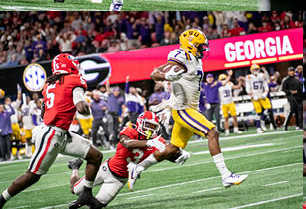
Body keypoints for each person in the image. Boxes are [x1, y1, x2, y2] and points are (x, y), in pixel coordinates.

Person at [128, 29, 248, 190]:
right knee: (212, 132)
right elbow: (155, 74)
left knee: (172, 149)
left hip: (190, 108)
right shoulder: (181, 56)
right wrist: (166, 77)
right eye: (200, 46)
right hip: (183, 110)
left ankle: (137, 167)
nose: (203, 49)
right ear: (190, 45)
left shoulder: (196, 59)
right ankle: (226, 175)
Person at [0, 53, 103, 209]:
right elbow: (81, 106)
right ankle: (1, 199)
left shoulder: (50, 84)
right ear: (69, 66)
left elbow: (43, 111)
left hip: (61, 133)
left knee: (95, 156)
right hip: (52, 135)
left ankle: (86, 193)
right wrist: (85, 109)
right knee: (32, 176)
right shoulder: (74, 81)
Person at [68, 111, 166, 209]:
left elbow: (170, 151)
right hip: (106, 170)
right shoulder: (130, 131)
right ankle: (75, 167)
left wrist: (178, 151)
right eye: (148, 125)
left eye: (153, 127)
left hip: (119, 180)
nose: (149, 129)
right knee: (75, 190)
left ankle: (88, 198)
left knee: (96, 206)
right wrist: (148, 143)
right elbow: (127, 143)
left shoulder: (157, 141)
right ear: (140, 122)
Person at [245, 64, 271, 134]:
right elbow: (247, 89)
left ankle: (262, 121)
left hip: (261, 95)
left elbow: (266, 86)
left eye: (256, 69)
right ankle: (258, 128)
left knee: (268, 109)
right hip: (255, 97)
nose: (255, 70)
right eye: (254, 69)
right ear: (251, 70)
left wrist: (265, 93)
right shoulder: (249, 77)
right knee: (258, 112)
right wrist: (253, 96)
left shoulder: (262, 75)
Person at [282, 66, 303, 131]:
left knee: (299, 111)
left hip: (298, 97)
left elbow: (301, 88)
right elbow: (284, 89)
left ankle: (299, 125)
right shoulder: (286, 80)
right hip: (291, 97)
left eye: (293, 71)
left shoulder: (297, 80)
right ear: (288, 72)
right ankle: (285, 125)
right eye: (291, 71)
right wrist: (290, 92)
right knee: (292, 111)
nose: (292, 72)